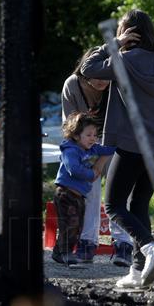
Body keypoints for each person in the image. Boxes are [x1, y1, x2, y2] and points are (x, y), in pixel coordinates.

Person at [80, 8, 154, 288]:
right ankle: (138, 273)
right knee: (138, 206)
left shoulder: (122, 60)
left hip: (130, 147)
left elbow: (87, 69)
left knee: (113, 205)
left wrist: (113, 45)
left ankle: (149, 247)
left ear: (127, 34)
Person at [61, 44, 138, 266]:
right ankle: (87, 243)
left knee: (119, 192)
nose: (101, 82)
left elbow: (124, 126)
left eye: (105, 76)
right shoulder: (72, 86)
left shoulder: (117, 87)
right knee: (90, 191)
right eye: (96, 77)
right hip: (82, 145)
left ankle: (123, 244)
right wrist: (89, 162)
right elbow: (71, 128)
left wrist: (102, 159)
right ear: (85, 71)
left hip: (115, 144)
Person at [52, 112, 116, 266]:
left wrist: (118, 146)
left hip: (79, 196)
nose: (93, 138)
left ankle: (59, 252)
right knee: (70, 224)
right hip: (66, 194)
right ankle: (64, 253)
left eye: (95, 134)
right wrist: (91, 173)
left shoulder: (92, 149)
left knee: (77, 226)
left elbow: (107, 150)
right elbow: (73, 169)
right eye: (88, 135)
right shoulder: (70, 150)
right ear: (75, 135)